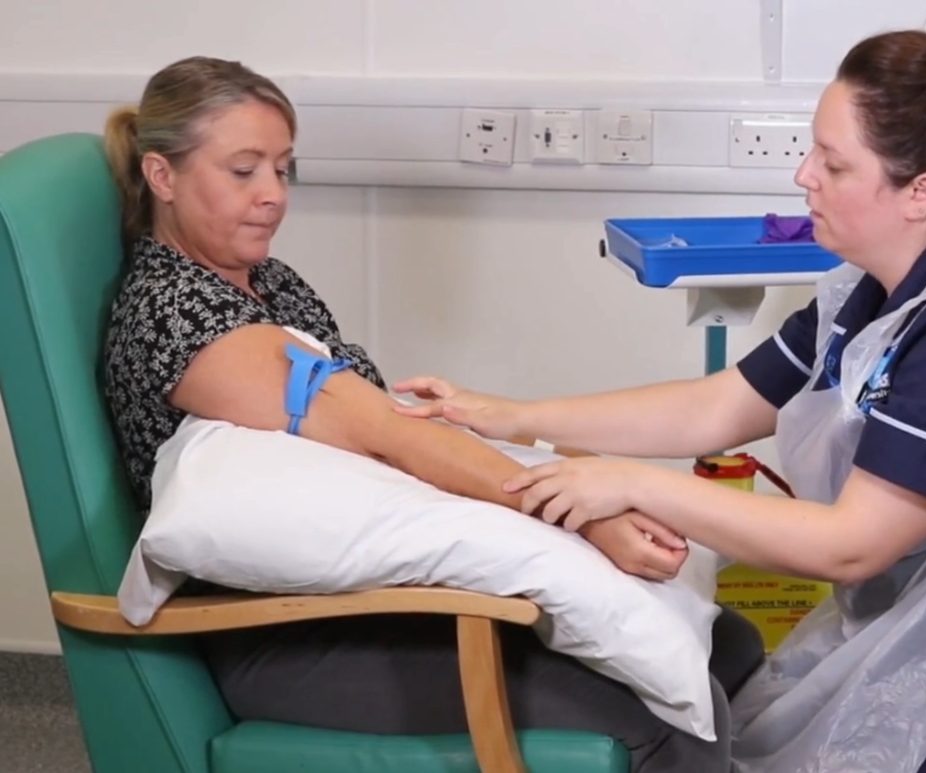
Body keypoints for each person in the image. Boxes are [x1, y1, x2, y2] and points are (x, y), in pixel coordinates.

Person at [396, 4, 926, 771]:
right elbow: (716, 406)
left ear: (922, 192)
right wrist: (505, 411)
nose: (801, 176)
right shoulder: (872, 292)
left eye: (832, 161)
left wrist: (630, 481)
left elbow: (850, 542)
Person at [101, 55, 764, 772]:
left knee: (729, 644)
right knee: (673, 717)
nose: (272, 196)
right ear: (162, 176)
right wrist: (585, 517)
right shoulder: (181, 316)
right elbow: (388, 438)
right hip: (289, 627)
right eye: (243, 170)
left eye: (283, 169)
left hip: (378, 590)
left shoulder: (264, 280)